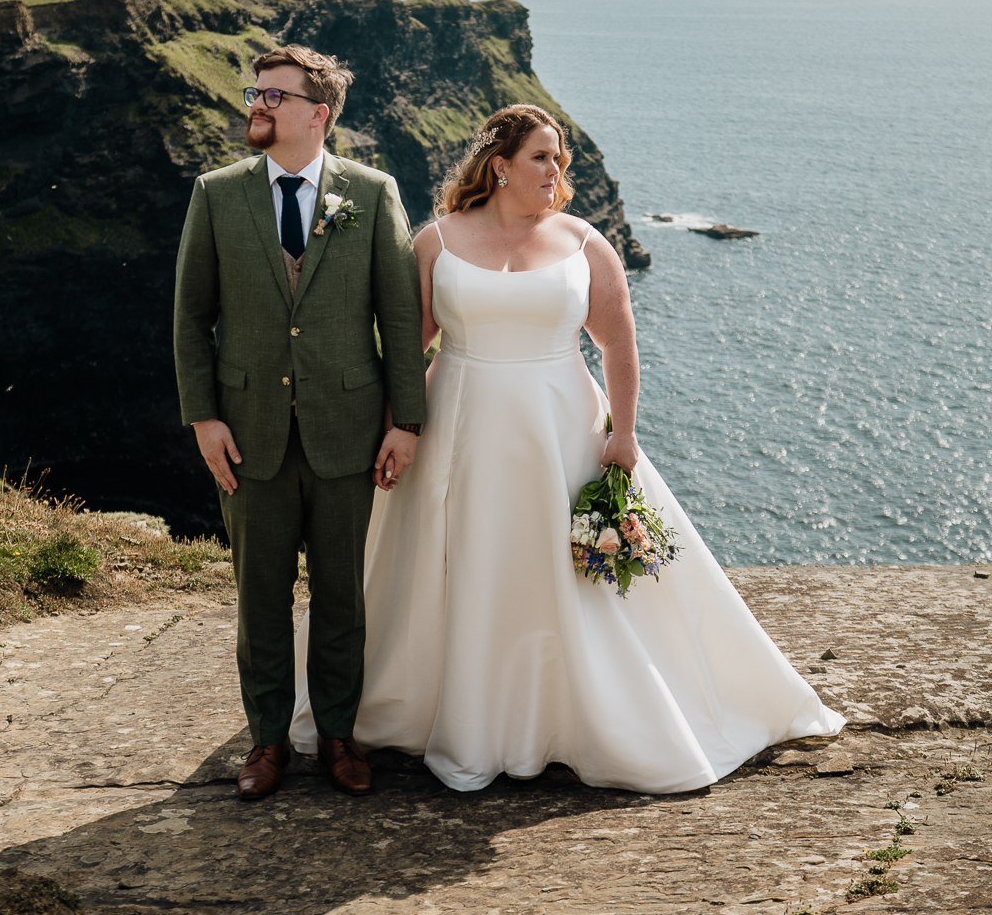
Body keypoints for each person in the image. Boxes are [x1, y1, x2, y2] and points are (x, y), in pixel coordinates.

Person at [292, 104, 844, 793]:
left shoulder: (585, 244)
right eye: (542, 158)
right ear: (500, 167)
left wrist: (624, 433)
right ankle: (441, 711)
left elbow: (618, 343)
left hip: (560, 430)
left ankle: (570, 717)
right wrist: (399, 428)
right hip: (456, 427)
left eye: (560, 160)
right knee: (454, 565)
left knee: (562, 573)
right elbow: (410, 347)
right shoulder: (436, 242)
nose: (556, 171)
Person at [172, 44, 426, 800]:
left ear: (318, 115)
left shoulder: (372, 193)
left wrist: (405, 422)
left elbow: (400, 318)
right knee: (260, 597)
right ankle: (267, 741)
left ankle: (340, 738)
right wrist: (203, 420)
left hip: (348, 432)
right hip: (247, 434)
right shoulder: (216, 194)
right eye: (256, 93)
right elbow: (191, 319)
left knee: (343, 598)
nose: (258, 104)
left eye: (275, 96)